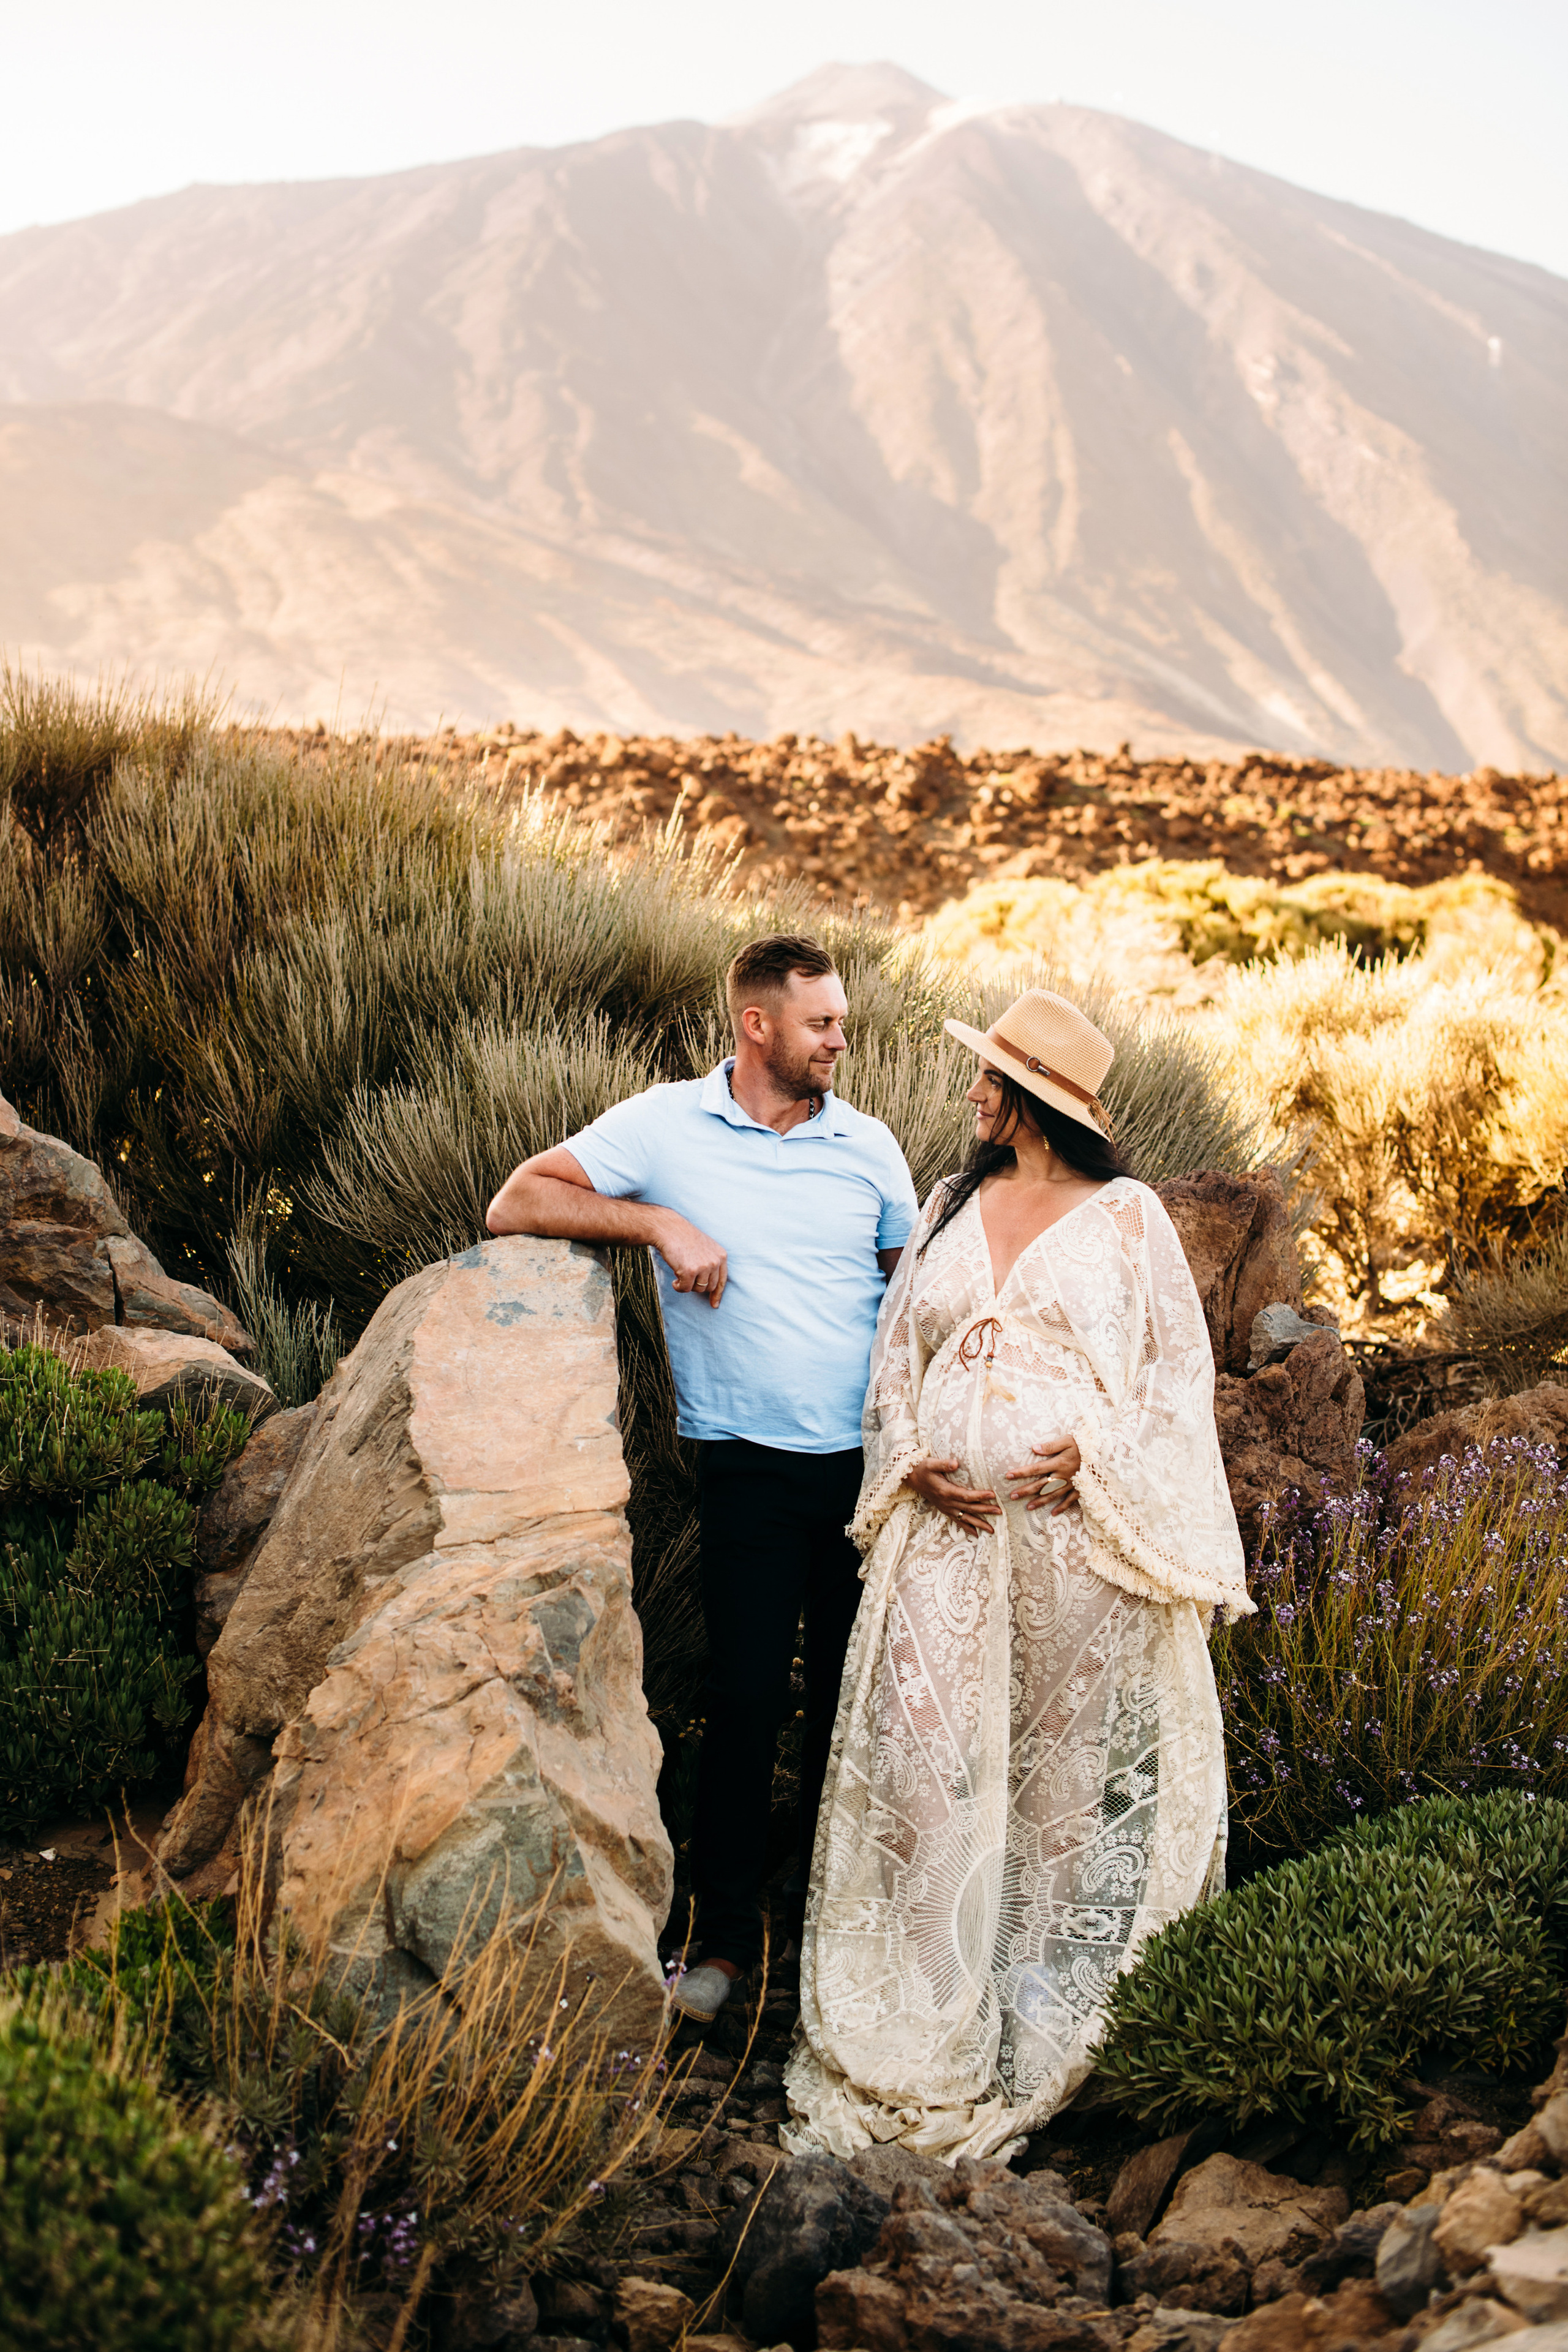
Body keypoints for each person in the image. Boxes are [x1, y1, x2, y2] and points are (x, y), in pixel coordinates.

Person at [783, 986, 1253, 2163]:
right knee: (929, 1768)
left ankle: (1047, 2027)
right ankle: (927, 2017)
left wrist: (1093, 1455)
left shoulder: (1131, 1217)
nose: (973, 1092)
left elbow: (1172, 1384)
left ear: (1035, 1098)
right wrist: (911, 1462)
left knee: (1065, 1784)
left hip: (1074, 1551)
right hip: (945, 1546)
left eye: (990, 1076)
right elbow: (897, 1363)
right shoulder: (950, 1202)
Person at [485, 933, 918, 2024]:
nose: (840, 1039)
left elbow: (913, 1308)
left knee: (851, 1713)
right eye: (820, 1022)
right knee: (741, 1705)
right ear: (756, 1025)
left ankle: (836, 1944)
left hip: (869, 1481)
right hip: (747, 1474)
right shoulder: (665, 1126)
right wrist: (657, 1221)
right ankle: (723, 1940)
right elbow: (516, 1202)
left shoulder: (871, 1147)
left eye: (842, 1020)